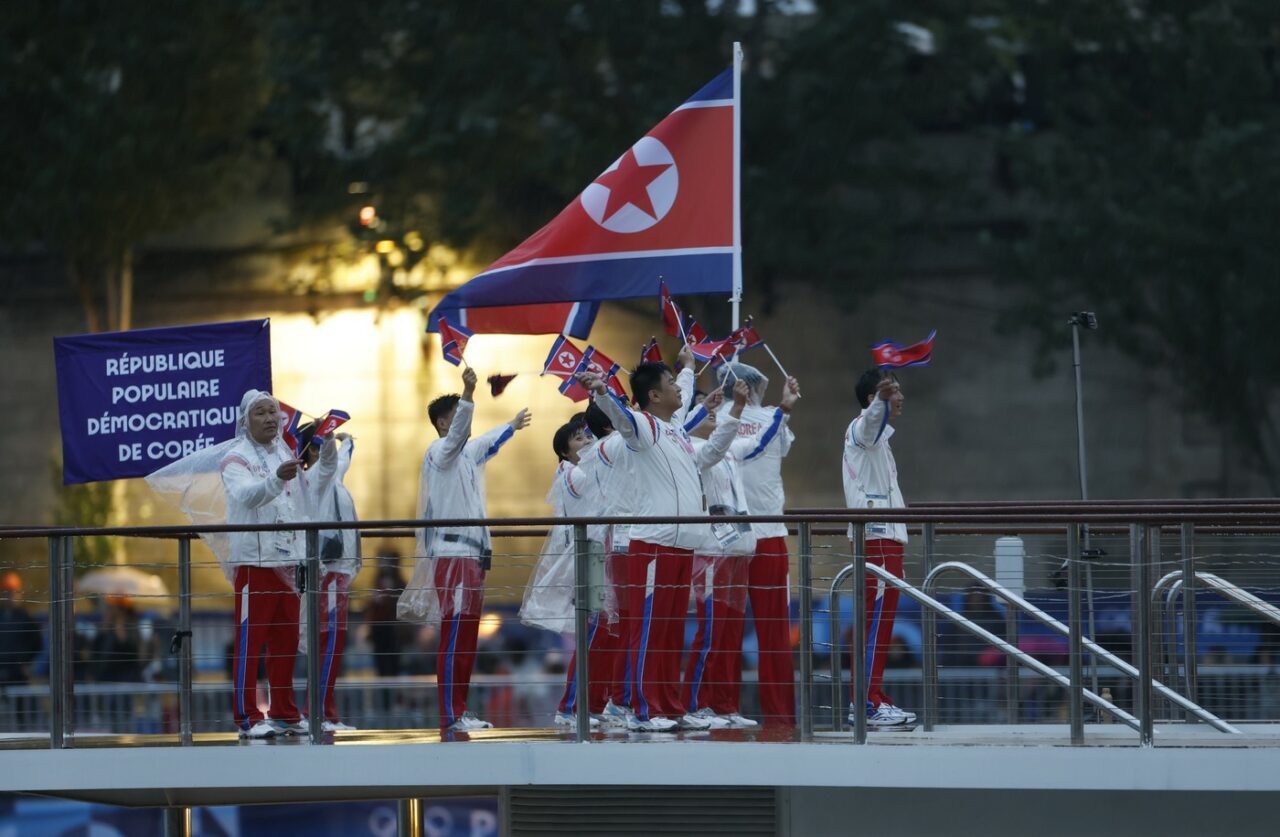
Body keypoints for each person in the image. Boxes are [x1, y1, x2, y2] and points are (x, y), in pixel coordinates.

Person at [147, 388, 338, 740]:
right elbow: (247, 495)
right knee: (251, 642)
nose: (269, 418)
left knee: (285, 642)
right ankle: (247, 716)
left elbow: (305, 496)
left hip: (288, 563)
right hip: (254, 564)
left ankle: (284, 712)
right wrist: (277, 478)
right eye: (260, 413)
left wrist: (328, 454)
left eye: (272, 412)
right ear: (245, 421)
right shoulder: (235, 459)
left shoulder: (284, 452)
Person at [576, 345, 722, 732]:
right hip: (653, 543)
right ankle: (645, 710)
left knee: (672, 630)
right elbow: (622, 418)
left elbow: (685, 399)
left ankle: (671, 707)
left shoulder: (676, 432)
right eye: (671, 383)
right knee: (650, 629)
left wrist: (688, 367)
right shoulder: (644, 427)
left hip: (682, 543)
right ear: (654, 395)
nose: (679, 388)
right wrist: (602, 391)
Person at [398, 366, 531, 732]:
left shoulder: (467, 457)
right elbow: (460, 436)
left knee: (468, 637)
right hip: (452, 555)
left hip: (471, 557)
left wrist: (511, 426)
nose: (463, 423)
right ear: (443, 423)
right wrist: (469, 394)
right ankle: (449, 714)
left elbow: (487, 441)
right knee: (456, 634)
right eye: (457, 416)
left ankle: (459, 709)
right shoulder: (439, 453)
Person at [713, 362, 802, 727]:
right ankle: (742, 711)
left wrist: (782, 410)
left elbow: (778, 450)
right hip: (740, 537)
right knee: (741, 629)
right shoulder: (719, 417)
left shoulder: (764, 416)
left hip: (754, 534)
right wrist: (784, 410)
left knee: (754, 630)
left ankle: (755, 712)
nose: (754, 390)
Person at [519, 414, 617, 729]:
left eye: (588, 436)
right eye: (579, 438)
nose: (587, 442)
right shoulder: (572, 474)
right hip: (587, 562)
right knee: (593, 637)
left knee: (606, 636)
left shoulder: (583, 469)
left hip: (599, 558)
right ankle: (570, 707)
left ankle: (596, 704)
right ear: (564, 452)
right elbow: (604, 486)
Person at [842, 369, 916, 728]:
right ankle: (865, 703)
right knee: (874, 622)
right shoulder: (862, 429)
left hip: (886, 538)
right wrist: (880, 403)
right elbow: (871, 421)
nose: (900, 397)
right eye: (892, 391)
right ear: (873, 399)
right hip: (876, 538)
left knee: (881, 624)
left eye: (898, 391)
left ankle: (872, 695)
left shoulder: (879, 440)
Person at [297, 422, 361, 732]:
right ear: (312, 451)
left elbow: (342, 459)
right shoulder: (314, 478)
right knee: (328, 641)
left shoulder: (332, 477)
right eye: (321, 444)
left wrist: (348, 441)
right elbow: (332, 461)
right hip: (327, 571)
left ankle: (324, 711)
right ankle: (318, 713)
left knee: (333, 642)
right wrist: (331, 437)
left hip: (340, 571)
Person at [0, 572, 41, 689]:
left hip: (19, 674)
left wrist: (26, 663)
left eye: (13, 592)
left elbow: (36, 643)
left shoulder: (26, 618)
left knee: (20, 698)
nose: (10, 596)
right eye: (6, 592)